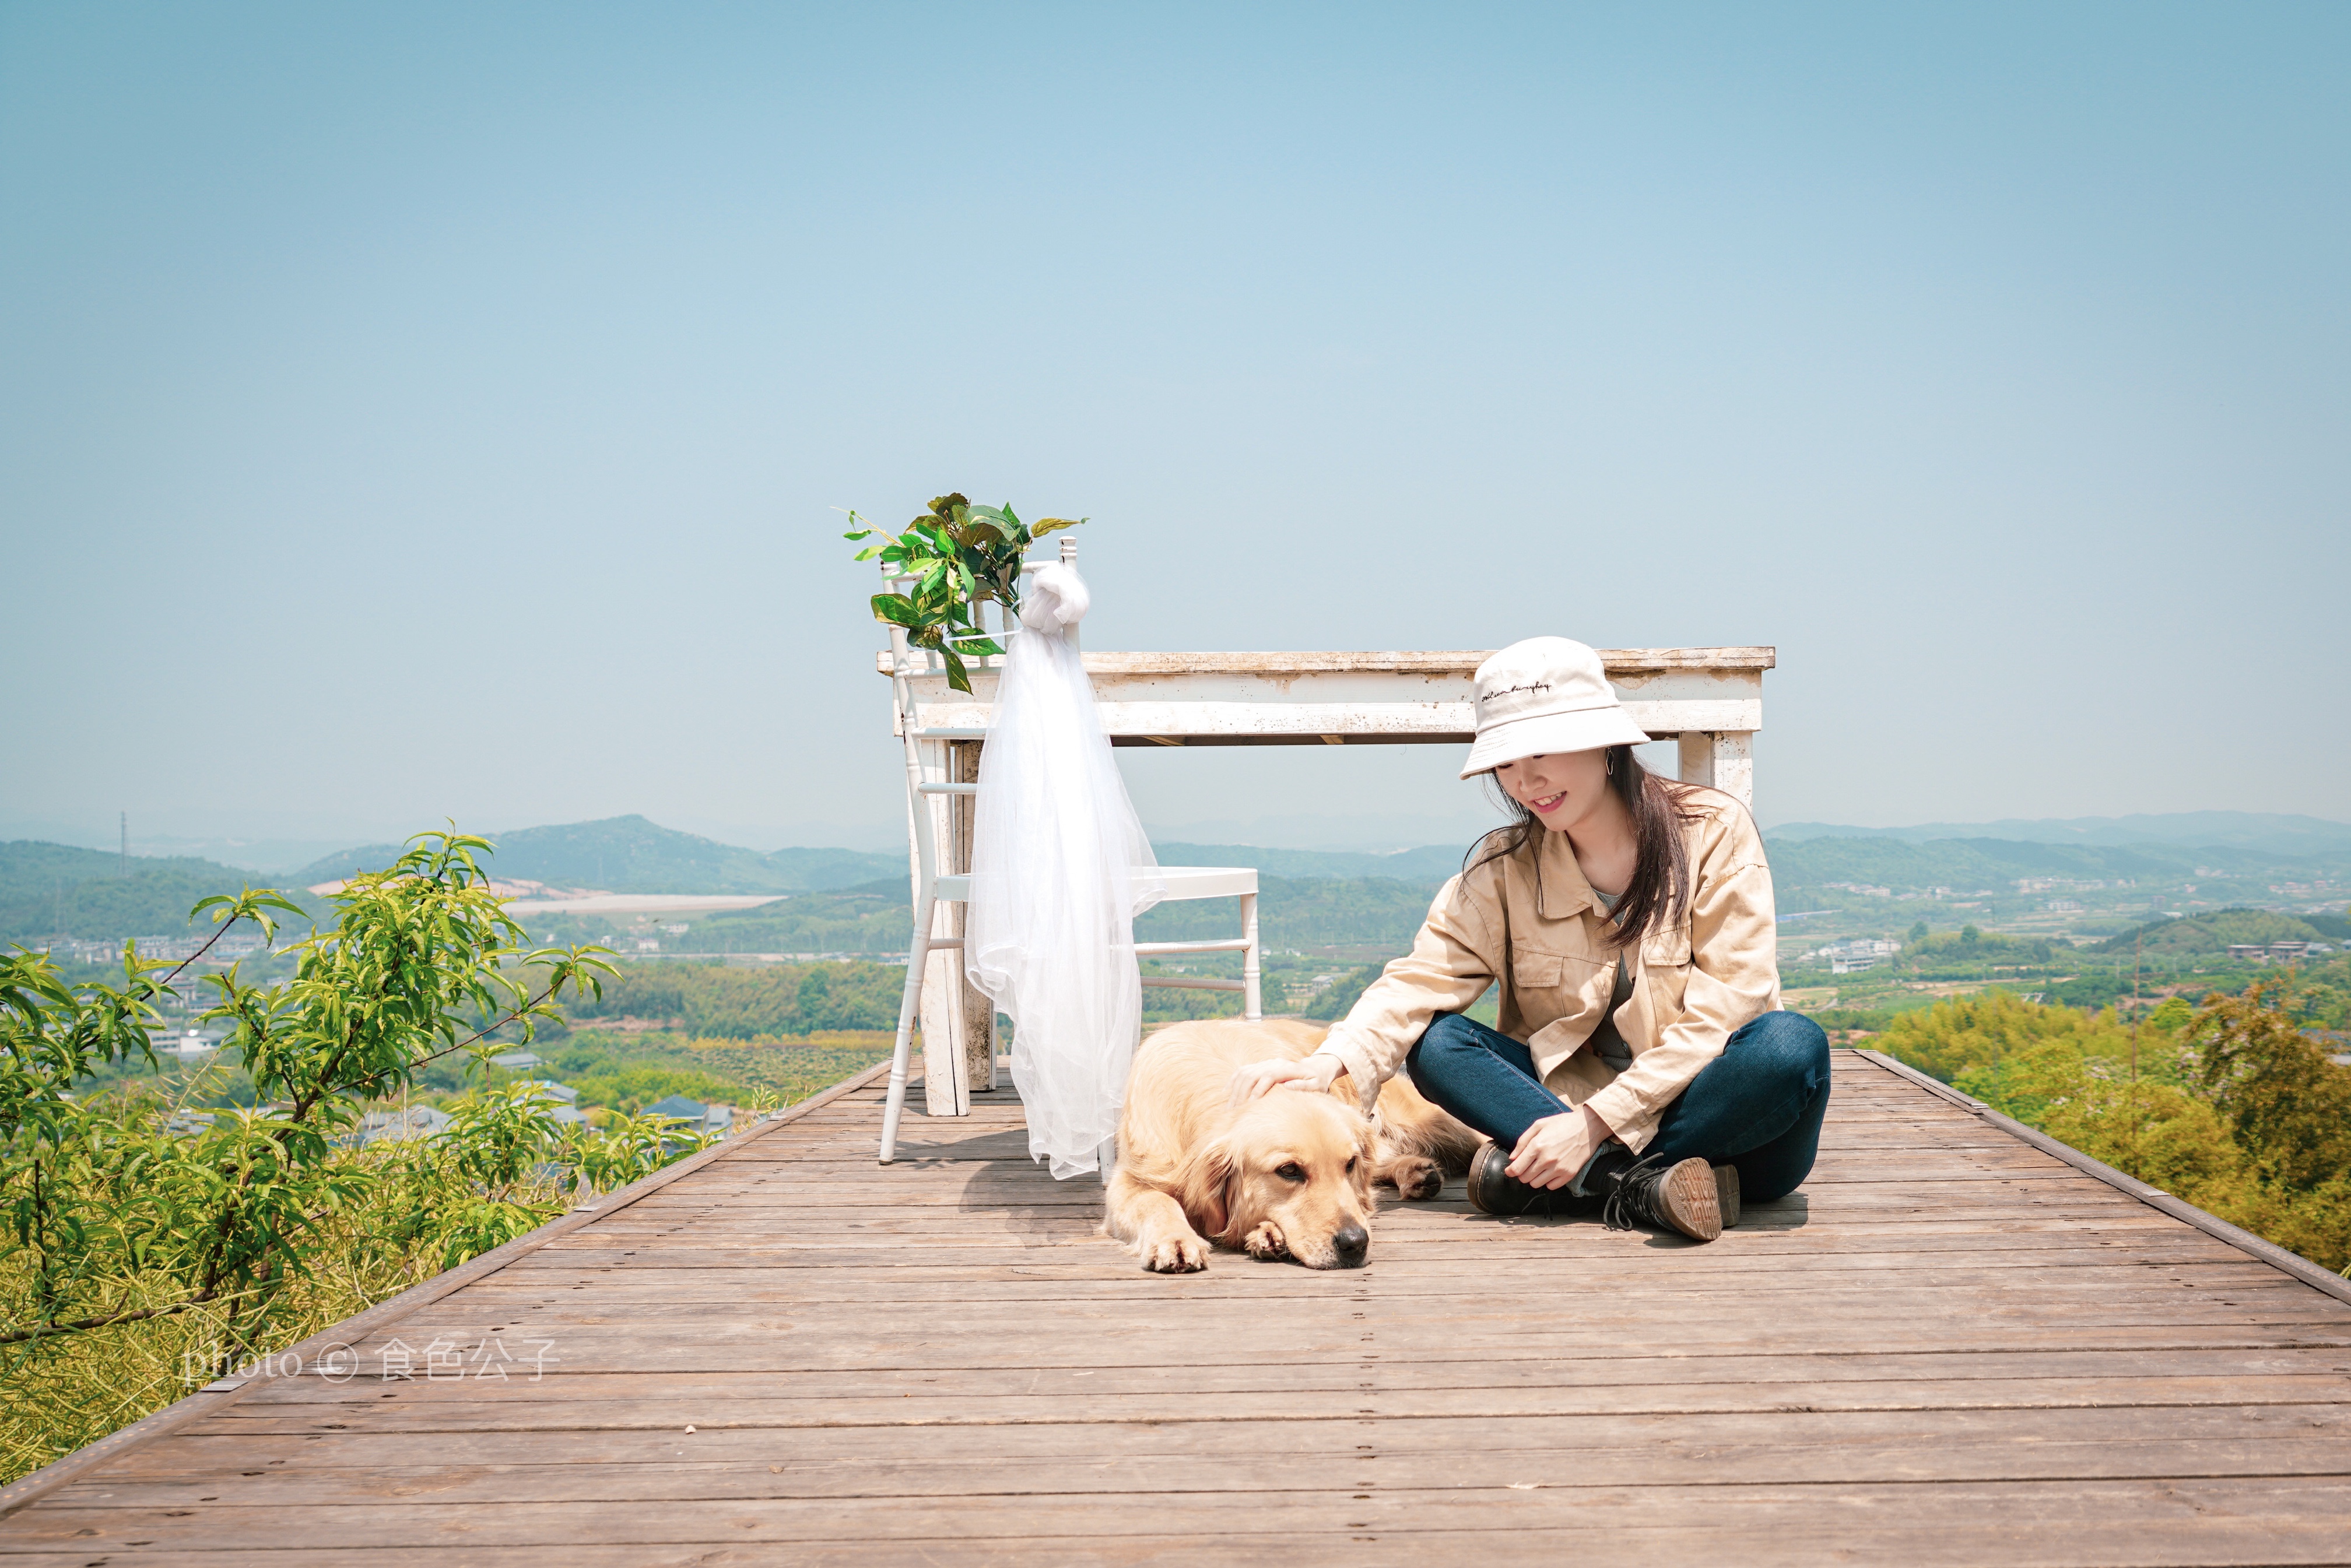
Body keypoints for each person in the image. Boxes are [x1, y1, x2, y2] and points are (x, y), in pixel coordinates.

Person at [1230, 637, 1829, 1243]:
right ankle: (1639, 1188)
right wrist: (1328, 1062)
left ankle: (1585, 1177)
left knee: (1789, 1047)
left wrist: (1595, 1125)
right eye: (1506, 761)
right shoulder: (1504, 867)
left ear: (1604, 742)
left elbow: (1733, 1003)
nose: (1525, 780)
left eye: (1543, 750)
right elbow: (1419, 979)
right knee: (1437, 1044)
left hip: (1720, 1125)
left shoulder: (1713, 832)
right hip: (1562, 1117)